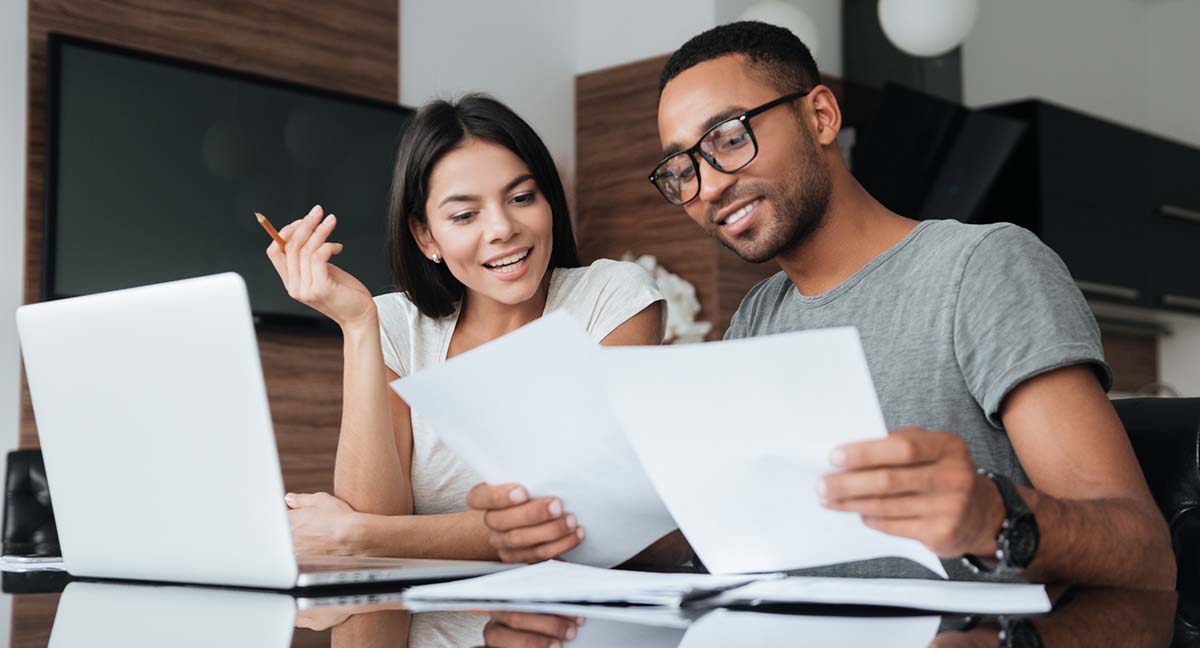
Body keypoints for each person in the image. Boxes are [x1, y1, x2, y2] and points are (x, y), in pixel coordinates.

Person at [469, 23, 1175, 588]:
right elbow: (724, 538)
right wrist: (565, 527)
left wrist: (995, 514)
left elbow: (1143, 551)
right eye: (681, 170)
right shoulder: (757, 316)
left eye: (727, 139)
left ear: (820, 115)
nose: (707, 186)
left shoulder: (982, 267)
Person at [266, 94, 674, 563]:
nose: (502, 228)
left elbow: (589, 518)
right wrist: (358, 326)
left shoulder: (611, 298)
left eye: (522, 198)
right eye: (464, 215)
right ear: (426, 236)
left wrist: (358, 535)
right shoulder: (396, 324)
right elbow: (374, 517)